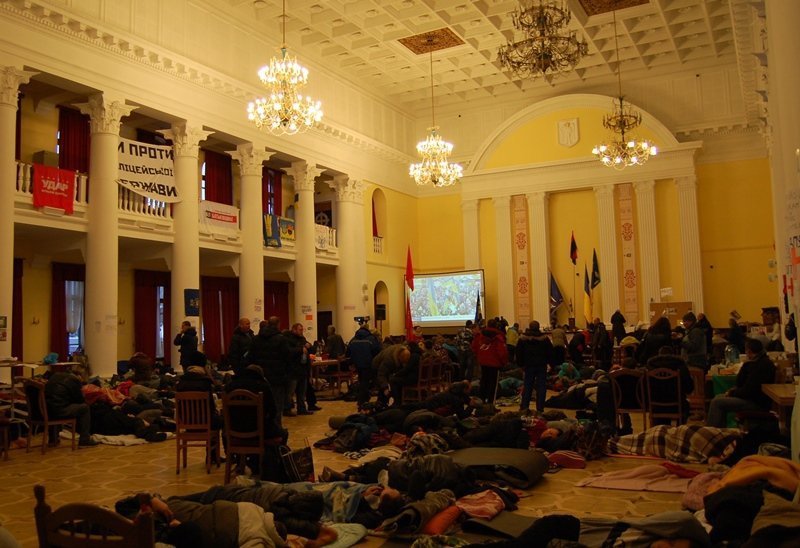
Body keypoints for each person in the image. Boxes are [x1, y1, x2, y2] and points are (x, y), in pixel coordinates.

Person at [707, 338, 777, 428]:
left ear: (749, 351)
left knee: (717, 402)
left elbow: (748, 390)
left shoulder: (760, 366)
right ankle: (720, 431)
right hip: (755, 399)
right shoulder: (761, 362)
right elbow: (742, 384)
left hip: (756, 402)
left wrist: (732, 393)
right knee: (718, 398)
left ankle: (712, 432)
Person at [248, 317, 291, 427]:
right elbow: (287, 357)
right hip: (277, 377)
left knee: (262, 404)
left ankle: (263, 429)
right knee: (277, 405)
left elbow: (250, 357)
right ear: (278, 324)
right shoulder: (281, 339)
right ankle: (276, 429)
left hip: (260, 377)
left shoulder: (256, 339)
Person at [44, 371, 98, 447]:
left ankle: (53, 439)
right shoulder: (73, 380)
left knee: (57, 405)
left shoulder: (55, 375)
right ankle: (84, 439)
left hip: (47, 411)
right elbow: (80, 400)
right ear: (78, 376)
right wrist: (82, 392)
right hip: (60, 411)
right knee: (84, 408)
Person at [646, 346, 694, 424]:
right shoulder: (680, 365)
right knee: (685, 407)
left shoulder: (650, 366)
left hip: (656, 406)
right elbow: (689, 388)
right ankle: (679, 429)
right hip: (677, 406)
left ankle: (660, 429)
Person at [516, 320, 553, 413]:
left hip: (528, 365)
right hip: (541, 365)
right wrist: (550, 363)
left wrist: (520, 364)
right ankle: (540, 408)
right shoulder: (544, 339)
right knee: (541, 387)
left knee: (527, 386)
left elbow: (519, 352)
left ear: (529, 327)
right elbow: (550, 351)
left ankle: (524, 407)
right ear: (538, 327)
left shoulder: (523, 339)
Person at [471, 318, 508, 405]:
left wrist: (479, 356)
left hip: (483, 362)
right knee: (493, 384)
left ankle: (481, 402)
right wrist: (504, 363)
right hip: (495, 363)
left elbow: (474, 347)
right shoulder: (498, 337)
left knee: (483, 381)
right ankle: (491, 404)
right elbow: (501, 352)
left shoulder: (480, 336)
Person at [347, 322, 381, 407]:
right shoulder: (371, 339)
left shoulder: (353, 339)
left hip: (357, 364)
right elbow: (377, 350)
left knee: (362, 380)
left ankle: (363, 399)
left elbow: (348, 352)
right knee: (366, 382)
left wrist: (352, 362)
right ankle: (362, 401)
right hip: (368, 363)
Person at [283, 323, 313, 416]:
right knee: (290, 392)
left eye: (302, 330)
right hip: (293, 370)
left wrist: (309, 345)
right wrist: (300, 350)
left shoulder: (302, 338)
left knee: (301, 392)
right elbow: (288, 352)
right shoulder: (287, 339)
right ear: (294, 329)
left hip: (302, 369)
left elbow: (310, 348)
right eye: (300, 330)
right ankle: (287, 409)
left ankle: (302, 408)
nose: (301, 331)